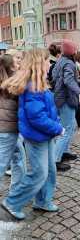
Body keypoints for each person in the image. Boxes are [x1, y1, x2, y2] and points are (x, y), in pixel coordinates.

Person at [1, 48, 63, 220]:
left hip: (44, 135)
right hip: (37, 137)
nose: (49, 64)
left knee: (50, 170)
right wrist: (58, 128)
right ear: (39, 64)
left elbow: (47, 110)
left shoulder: (39, 83)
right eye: (46, 61)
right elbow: (37, 118)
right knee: (39, 173)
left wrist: (56, 124)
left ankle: (42, 200)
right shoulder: (33, 87)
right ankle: (12, 203)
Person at [52, 40, 80, 172]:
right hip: (66, 100)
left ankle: (64, 151)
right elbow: (67, 80)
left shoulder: (61, 60)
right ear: (72, 51)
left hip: (60, 98)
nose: (77, 50)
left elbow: (56, 77)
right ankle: (55, 159)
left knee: (67, 127)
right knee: (67, 128)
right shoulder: (69, 63)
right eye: (76, 48)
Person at [0, 54, 24, 190]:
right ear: (12, 67)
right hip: (7, 129)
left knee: (19, 159)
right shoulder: (13, 83)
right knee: (2, 164)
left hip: (8, 129)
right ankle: (17, 192)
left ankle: (17, 191)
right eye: (16, 61)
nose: (19, 63)